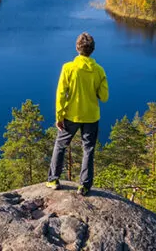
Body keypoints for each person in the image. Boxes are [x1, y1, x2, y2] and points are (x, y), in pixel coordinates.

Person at [46, 32, 109, 195]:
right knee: (88, 150)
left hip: (71, 115)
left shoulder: (68, 68)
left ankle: (53, 179)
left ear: (77, 48)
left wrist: (59, 116)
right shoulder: (99, 71)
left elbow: (60, 94)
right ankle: (85, 185)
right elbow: (104, 96)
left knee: (60, 146)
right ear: (92, 49)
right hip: (91, 116)